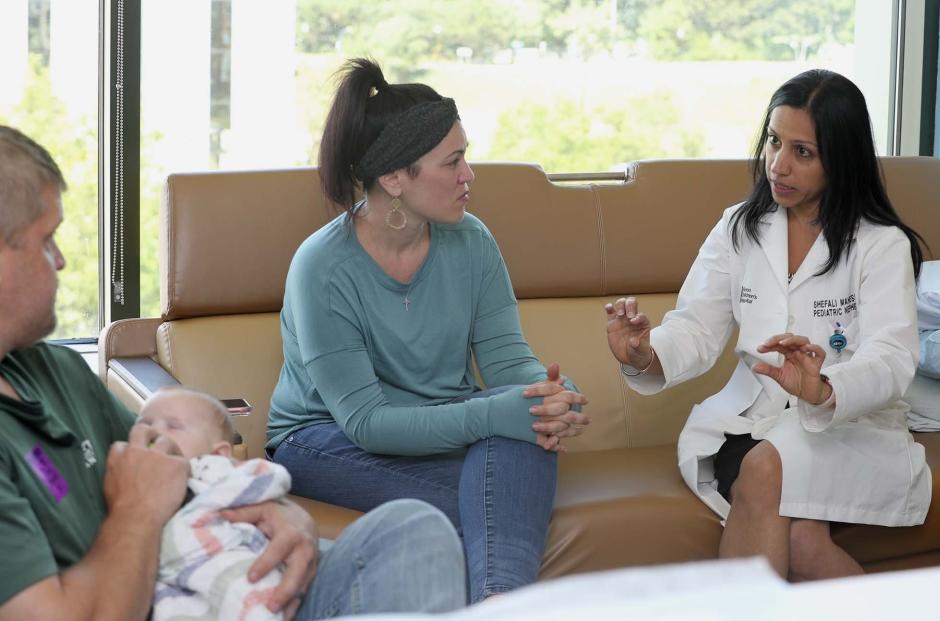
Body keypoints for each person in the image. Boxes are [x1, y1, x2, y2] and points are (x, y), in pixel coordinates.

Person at [0, 125, 467, 620]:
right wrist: (137, 512)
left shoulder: (54, 371)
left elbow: (184, 472)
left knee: (413, 532)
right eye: (46, 239)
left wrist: (286, 517)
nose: (62, 260)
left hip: (223, 585)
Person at [267, 58, 590, 603]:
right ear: (394, 178)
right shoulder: (321, 267)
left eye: (466, 156)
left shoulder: (473, 242)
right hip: (328, 441)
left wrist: (551, 397)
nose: (470, 176)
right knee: (499, 495)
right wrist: (502, 412)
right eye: (453, 161)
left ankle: (496, 606)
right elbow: (367, 421)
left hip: (445, 434)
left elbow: (510, 363)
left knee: (525, 440)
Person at [604, 69, 930, 581]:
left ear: (840, 160)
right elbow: (696, 327)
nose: (778, 165)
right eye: (774, 141)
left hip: (847, 425)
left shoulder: (880, 244)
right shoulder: (740, 227)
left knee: (768, 472)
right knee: (796, 532)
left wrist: (823, 387)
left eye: (803, 152)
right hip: (750, 420)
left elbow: (892, 357)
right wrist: (645, 353)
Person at [140, 387, 291, 621]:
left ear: (218, 455)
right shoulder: (131, 478)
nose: (153, 433)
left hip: (238, 570)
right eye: (144, 424)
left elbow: (265, 479)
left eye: (173, 426)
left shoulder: (216, 473)